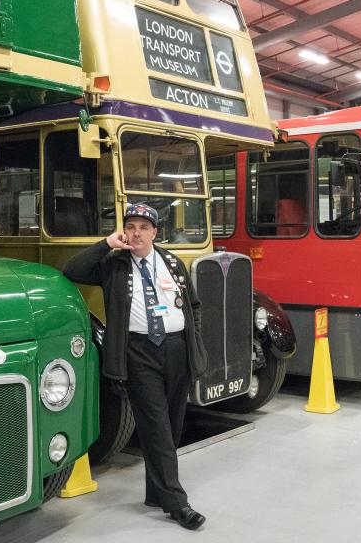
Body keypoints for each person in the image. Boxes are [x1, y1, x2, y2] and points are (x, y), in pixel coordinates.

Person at [63, 202, 208, 530]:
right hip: (139, 353)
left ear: (155, 232)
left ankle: (156, 492)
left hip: (175, 351)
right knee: (156, 427)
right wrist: (105, 245)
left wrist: (192, 341)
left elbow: (194, 305)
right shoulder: (113, 265)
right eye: (131, 227)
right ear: (124, 232)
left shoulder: (172, 263)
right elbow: (72, 270)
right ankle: (176, 502)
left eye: (144, 227)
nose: (136, 232)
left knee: (170, 426)